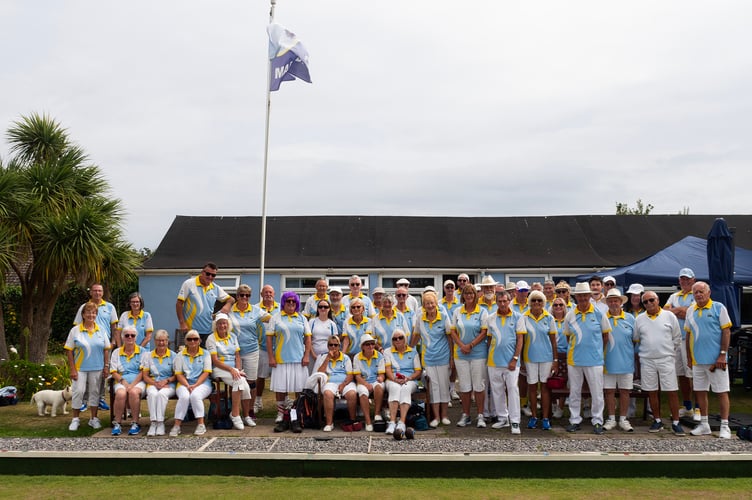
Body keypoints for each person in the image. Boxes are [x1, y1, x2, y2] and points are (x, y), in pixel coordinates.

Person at [684, 281, 732, 439]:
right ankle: (704, 425)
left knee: (721, 392)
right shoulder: (690, 310)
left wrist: (722, 354)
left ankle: (725, 426)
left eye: (701, 291)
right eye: (695, 292)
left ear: (709, 292)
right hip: (698, 361)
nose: (698, 294)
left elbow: (726, 331)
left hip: (716, 361)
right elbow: (688, 335)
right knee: (700, 392)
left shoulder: (719, 307)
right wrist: (690, 358)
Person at [633, 291, 685, 435]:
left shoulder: (669, 316)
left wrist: (668, 352)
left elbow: (677, 337)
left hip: (666, 359)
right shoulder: (639, 319)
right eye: (645, 302)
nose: (649, 303)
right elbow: (636, 338)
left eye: (651, 300)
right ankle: (657, 420)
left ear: (657, 300)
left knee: (672, 390)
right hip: (647, 360)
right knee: (652, 391)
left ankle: (676, 422)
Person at [562, 282, 611, 434]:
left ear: (590, 296)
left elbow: (605, 336)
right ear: (576, 297)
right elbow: (568, 337)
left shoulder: (599, 314)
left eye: (585, 295)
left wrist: (596, 350)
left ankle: (597, 421)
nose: (583, 298)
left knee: (597, 392)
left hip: (594, 360)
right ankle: (574, 420)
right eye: (580, 295)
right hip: (574, 360)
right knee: (574, 392)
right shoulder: (570, 314)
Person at [267, 291, 312, 431]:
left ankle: (297, 413)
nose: (291, 304)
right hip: (280, 358)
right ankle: (281, 413)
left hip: (298, 359)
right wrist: (271, 357)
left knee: (299, 388)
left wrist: (306, 356)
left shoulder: (302, 318)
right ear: (283, 303)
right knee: (281, 387)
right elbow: (269, 338)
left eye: (293, 302)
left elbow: (308, 338)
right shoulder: (276, 318)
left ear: (297, 304)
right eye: (288, 301)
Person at [65, 301, 111, 431]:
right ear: (83, 315)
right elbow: (69, 350)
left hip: (97, 367)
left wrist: (106, 366)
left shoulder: (101, 330)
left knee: (95, 393)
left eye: (94, 312)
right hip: (80, 368)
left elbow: (106, 349)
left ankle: (93, 419)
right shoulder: (75, 330)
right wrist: (72, 368)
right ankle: (75, 419)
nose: (91, 315)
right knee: (78, 392)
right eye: (88, 312)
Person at [228, 284, 270, 424]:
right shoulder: (230, 311)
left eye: (247, 295)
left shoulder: (256, 311)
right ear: (237, 296)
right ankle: (235, 411)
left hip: (252, 350)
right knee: (236, 381)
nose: (244, 298)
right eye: (241, 295)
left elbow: (272, 319)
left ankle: (250, 410)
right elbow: (217, 320)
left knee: (251, 382)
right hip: (234, 353)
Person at [73, 283, 117, 411]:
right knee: (85, 372)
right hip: (85, 345)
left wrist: (113, 342)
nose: (97, 293)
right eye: (95, 290)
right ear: (90, 292)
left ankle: (101, 399)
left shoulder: (110, 307)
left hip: (103, 345)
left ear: (103, 293)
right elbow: (76, 325)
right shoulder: (83, 307)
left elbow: (114, 327)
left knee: (103, 372)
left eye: (100, 291)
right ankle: (84, 401)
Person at [411, 290, 452, 427]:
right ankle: (435, 417)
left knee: (443, 386)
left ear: (436, 304)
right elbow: (415, 336)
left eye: (432, 303)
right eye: (427, 303)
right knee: (433, 387)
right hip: (428, 358)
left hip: (443, 357)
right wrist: (408, 350)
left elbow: (450, 337)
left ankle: (444, 415)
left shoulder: (444, 317)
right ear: (423, 305)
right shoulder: (420, 319)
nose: (430, 306)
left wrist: (452, 357)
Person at [486, 290, 525, 435]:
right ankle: (503, 418)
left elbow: (520, 339)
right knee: (497, 390)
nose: (502, 304)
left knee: (513, 390)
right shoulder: (490, 318)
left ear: (509, 301)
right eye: (500, 301)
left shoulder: (518, 317)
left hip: (511, 362)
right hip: (494, 361)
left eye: (505, 301)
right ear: (496, 302)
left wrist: (515, 359)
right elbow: (489, 339)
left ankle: (515, 421)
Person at [451, 284, 489, 428]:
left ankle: (480, 416)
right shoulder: (457, 311)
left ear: (475, 295)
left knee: (478, 385)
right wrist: (462, 345)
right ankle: (466, 415)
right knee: (465, 386)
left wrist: (471, 345)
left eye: (471, 293)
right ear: (463, 295)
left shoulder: (482, 312)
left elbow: (484, 332)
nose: (469, 296)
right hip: (461, 354)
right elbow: (453, 331)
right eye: (466, 293)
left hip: (478, 353)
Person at [206, 313, 252, 430]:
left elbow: (237, 356)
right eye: (220, 323)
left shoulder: (233, 336)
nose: (222, 325)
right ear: (216, 325)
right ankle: (235, 415)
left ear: (228, 324)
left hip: (233, 369)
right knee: (239, 381)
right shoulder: (211, 338)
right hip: (219, 369)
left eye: (224, 323)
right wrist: (232, 370)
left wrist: (237, 369)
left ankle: (246, 416)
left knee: (245, 386)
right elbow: (215, 361)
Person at [664, 268, 699, 420]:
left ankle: (699, 408)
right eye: (682, 279)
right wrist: (681, 310)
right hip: (676, 341)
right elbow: (665, 313)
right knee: (682, 375)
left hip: (691, 340)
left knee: (695, 375)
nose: (685, 281)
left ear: (693, 279)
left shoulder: (697, 294)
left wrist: (676, 310)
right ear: (679, 280)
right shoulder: (673, 295)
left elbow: (692, 314)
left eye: (688, 279)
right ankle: (688, 406)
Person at [521, 290, 558, 430]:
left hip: (546, 358)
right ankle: (534, 417)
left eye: (539, 300)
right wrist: (522, 361)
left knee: (544, 387)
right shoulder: (524, 317)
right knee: (532, 387)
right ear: (530, 302)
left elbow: (553, 342)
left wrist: (555, 360)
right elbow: (522, 341)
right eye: (534, 300)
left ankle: (545, 418)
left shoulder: (549, 318)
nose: (537, 303)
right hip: (529, 358)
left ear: (543, 302)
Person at [602, 289, 636, 432]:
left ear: (621, 302)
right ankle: (611, 418)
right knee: (609, 391)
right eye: (610, 300)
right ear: (607, 303)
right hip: (607, 361)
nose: (613, 303)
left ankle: (623, 419)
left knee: (625, 391)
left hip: (626, 361)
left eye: (616, 300)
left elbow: (635, 339)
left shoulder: (630, 318)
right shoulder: (602, 317)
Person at [176, 262, 234, 344]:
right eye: (208, 274)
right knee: (192, 355)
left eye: (213, 275)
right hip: (191, 330)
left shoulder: (215, 287)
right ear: (202, 272)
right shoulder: (189, 284)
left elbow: (231, 299)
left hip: (208, 331)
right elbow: (179, 304)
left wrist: (227, 306)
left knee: (207, 356)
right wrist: (182, 323)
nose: (210, 277)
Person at [309, 335, 357, 432]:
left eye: (336, 345)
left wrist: (343, 385)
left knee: (352, 394)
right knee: (327, 393)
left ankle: (352, 420)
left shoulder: (345, 358)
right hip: (330, 381)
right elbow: (320, 373)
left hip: (345, 382)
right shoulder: (323, 357)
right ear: (328, 346)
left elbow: (350, 375)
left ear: (339, 346)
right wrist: (328, 358)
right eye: (331, 345)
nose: (333, 347)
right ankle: (329, 423)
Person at [171, 329, 212, 436]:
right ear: (186, 341)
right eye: (190, 339)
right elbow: (179, 374)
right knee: (184, 397)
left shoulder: (206, 354)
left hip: (202, 383)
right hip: (184, 383)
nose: (192, 341)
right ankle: (176, 425)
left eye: (195, 339)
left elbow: (206, 373)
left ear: (199, 341)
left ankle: (201, 424)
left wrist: (195, 385)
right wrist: (188, 385)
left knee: (195, 396)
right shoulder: (180, 355)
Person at [110, 326, 147, 436]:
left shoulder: (143, 352)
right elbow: (113, 371)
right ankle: (117, 423)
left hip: (138, 381)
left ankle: (135, 422)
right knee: (121, 394)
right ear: (123, 338)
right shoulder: (116, 352)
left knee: (133, 392)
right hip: (122, 381)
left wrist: (132, 385)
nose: (130, 337)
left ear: (136, 338)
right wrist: (124, 382)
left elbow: (143, 372)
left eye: (132, 335)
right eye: (127, 335)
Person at [384, 328, 422, 435]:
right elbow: (388, 370)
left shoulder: (413, 351)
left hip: (409, 379)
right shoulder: (388, 352)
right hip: (393, 379)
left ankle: (402, 422)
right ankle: (392, 422)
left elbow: (418, 371)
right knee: (394, 388)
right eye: (395, 339)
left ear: (405, 339)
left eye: (400, 337)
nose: (398, 340)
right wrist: (395, 379)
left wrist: (408, 378)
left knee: (405, 388)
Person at [141, 329, 176, 437]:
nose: (161, 343)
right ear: (155, 341)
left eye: (164, 341)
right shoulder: (148, 355)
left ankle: (160, 423)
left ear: (167, 341)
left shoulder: (174, 355)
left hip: (168, 383)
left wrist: (167, 380)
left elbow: (177, 375)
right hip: (153, 382)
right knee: (152, 394)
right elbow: (145, 375)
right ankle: (153, 423)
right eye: (158, 340)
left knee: (161, 394)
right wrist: (155, 383)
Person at [353, 333, 387, 431]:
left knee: (379, 387)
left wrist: (381, 378)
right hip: (363, 382)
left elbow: (382, 374)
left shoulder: (379, 356)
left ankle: (377, 414)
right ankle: (368, 421)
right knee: (363, 393)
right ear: (362, 346)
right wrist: (366, 384)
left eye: (372, 344)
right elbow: (357, 376)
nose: (371, 346)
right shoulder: (357, 357)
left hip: (375, 380)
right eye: (367, 344)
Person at [255, 284, 279, 414]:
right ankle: (257, 400)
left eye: (270, 292)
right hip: (262, 347)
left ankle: (284, 400)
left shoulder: (281, 308)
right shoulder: (255, 309)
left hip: (279, 348)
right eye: (266, 292)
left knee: (280, 376)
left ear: (274, 294)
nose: (268, 294)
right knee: (261, 376)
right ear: (261, 294)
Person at [308, 298, 340, 373]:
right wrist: (313, 355)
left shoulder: (332, 324)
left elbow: (335, 343)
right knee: (312, 377)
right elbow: (308, 340)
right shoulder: (312, 322)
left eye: (325, 307)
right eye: (320, 306)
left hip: (328, 356)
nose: (323, 308)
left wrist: (330, 356)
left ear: (329, 309)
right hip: (313, 355)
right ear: (317, 309)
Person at [550, 296, 569, 419]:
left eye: (561, 305)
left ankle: (560, 407)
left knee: (564, 382)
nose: (558, 307)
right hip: (551, 355)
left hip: (566, 355)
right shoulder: (549, 319)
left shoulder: (568, 320)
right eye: (555, 305)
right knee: (550, 381)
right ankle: (552, 405)